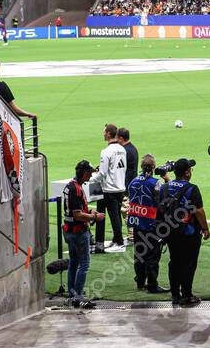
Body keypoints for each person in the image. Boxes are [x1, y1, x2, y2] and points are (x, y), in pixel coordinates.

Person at [164, 158, 209, 306]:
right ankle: (187, 295)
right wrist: (205, 229)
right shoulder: (192, 189)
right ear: (187, 173)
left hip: (170, 232)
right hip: (188, 233)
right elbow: (199, 211)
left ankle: (175, 295)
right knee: (188, 264)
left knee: (174, 261)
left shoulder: (166, 187)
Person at [61, 160, 103, 308]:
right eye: (90, 173)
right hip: (78, 232)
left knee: (73, 262)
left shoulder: (70, 186)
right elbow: (78, 215)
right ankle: (78, 296)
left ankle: (72, 295)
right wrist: (94, 217)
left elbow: (75, 212)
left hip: (68, 231)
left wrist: (89, 213)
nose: (91, 175)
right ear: (84, 173)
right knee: (83, 264)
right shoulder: (76, 190)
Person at [125, 155, 168, 294]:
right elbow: (161, 203)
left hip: (137, 223)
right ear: (153, 167)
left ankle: (140, 281)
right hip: (150, 224)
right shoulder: (155, 183)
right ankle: (152, 284)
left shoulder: (133, 182)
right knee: (152, 256)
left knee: (139, 254)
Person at [90, 123, 128, 254]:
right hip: (120, 187)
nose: (103, 134)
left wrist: (90, 179)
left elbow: (103, 173)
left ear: (108, 134)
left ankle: (119, 242)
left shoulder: (106, 152)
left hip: (108, 189)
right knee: (115, 215)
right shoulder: (122, 149)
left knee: (108, 216)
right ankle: (106, 242)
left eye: (104, 132)